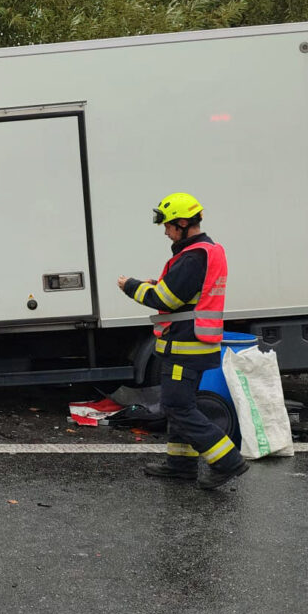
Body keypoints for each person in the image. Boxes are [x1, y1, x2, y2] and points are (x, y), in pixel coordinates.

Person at [117, 192, 247, 490]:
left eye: (168, 225)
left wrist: (132, 286)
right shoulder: (203, 252)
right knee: (179, 404)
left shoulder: (193, 256)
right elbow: (181, 295)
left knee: (177, 407)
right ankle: (180, 464)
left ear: (183, 223)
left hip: (185, 346)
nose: (165, 231)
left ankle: (228, 461)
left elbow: (164, 298)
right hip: (190, 343)